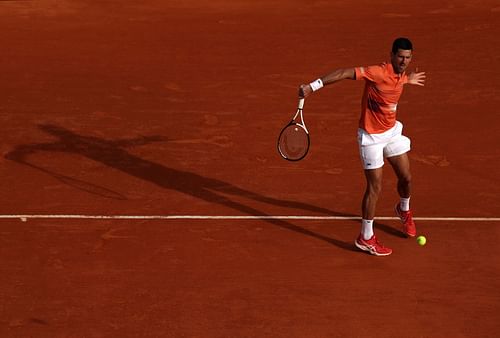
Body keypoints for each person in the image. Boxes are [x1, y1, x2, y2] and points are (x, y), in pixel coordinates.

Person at [299, 37, 426, 256]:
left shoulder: (401, 75)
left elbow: (398, 81)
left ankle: (403, 210)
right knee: (374, 187)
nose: (404, 61)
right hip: (370, 137)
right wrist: (312, 86)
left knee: (406, 177)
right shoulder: (377, 72)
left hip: (392, 132)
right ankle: (365, 237)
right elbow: (343, 73)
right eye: (400, 57)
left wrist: (408, 79)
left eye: (407, 58)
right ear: (392, 55)